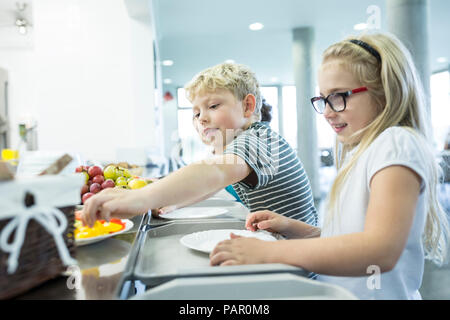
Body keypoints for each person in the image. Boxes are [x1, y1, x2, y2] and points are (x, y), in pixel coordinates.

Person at [209, 33, 449, 300]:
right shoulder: (362, 151)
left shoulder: (395, 144)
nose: (327, 111)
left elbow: (378, 251)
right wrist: (295, 228)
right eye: (323, 99)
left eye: (339, 96)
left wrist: (267, 253)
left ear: (383, 92)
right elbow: (350, 237)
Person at [79, 62, 317, 228]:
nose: (201, 118)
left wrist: (142, 198)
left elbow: (213, 172)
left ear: (247, 106)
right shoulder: (246, 142)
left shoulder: (261, 141)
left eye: (213, 106)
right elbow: (210, 186)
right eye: (195, 113)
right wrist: (168, 199)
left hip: (294, 263)